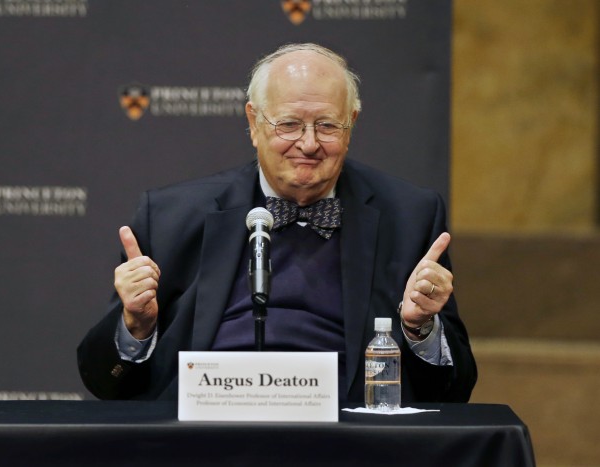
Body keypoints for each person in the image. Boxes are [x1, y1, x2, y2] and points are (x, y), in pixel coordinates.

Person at [78, 43, 477, 404]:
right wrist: (136, 327)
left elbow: (456, 389)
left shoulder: (410, 216)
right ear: (253, 123)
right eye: (288, 124)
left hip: (348, 437)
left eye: (326, 125)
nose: (308, 143)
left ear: (351, 124)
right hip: (205, 435)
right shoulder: (170, 217)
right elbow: (105, 383)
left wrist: (420, 330)